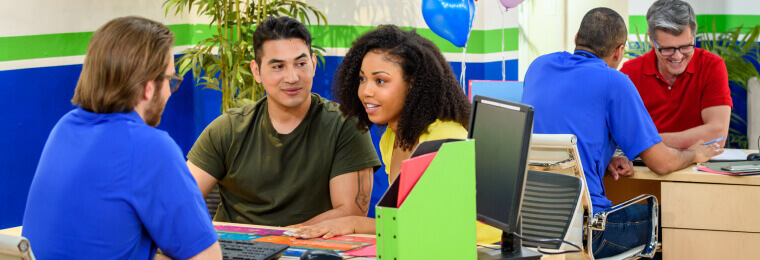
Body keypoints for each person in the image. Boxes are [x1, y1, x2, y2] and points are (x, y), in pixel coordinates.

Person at [521, 8, 723, 258]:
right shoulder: (614, 82)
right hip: (590, 231)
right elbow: (662, 163)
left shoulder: (538, 67)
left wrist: (601, 160)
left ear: (576, 39)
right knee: (671, 223)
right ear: (619, 51)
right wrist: (694, 154)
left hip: (530, 222)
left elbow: (558, 133)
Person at [21, 16, 221, 259]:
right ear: (148, 87)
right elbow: (207, 256)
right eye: (170, 79)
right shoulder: (151, 147)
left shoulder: (63, 129)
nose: (170, 90)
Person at [292, 25, 502, 243]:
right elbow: (410, 222)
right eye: (362, 79)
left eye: (380, 81)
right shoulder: (391, 138)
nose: (366, 91)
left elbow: (435, 226)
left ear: (413, 85)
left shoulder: (445, 138)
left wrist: (353, 223)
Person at [186, 16, 381, 227]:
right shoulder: (227, 129)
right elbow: (180, 201)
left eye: (300, 64)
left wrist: (277, 240)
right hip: (237, 249)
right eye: (278, 67)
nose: (292, 77)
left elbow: (350, 214)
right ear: (256, 71)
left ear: (314, 65)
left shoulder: (344, 126)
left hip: (310, 251)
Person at [621, 0, 732, 149]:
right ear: (652, 40)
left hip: (697, 168)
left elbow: (717, 135)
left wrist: (647, 142)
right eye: (667, 49)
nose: (678, 57)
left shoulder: (712, 66)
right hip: (644, 168)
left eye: (686, 46)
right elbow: (621, 135)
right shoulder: (629, 73)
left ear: (693, 37)